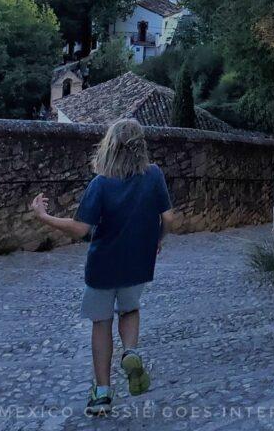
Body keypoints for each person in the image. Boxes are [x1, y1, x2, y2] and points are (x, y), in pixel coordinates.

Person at [29, 119, 175, 417]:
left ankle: (103, 394)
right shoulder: (154, 175)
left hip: (103, 265)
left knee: (101, 322)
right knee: (131, 310)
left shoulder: (101, 183)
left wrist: (44, 217)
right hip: (139, 261)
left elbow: (81, 228)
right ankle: (131, 352)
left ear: (109, 146)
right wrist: (157, 240)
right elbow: (169, 217)